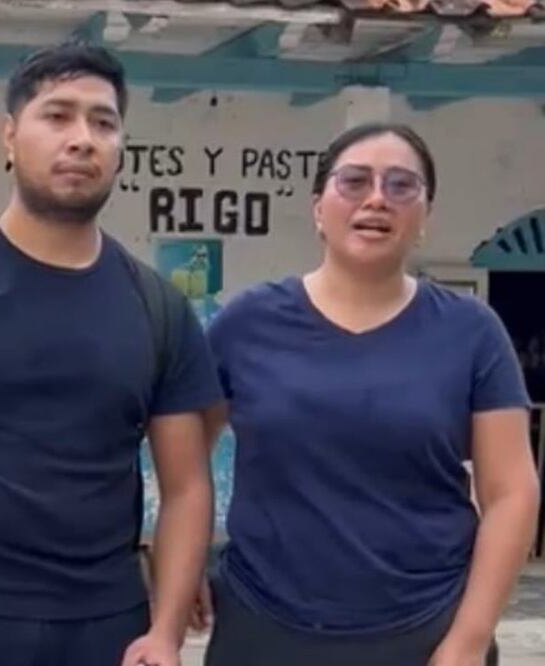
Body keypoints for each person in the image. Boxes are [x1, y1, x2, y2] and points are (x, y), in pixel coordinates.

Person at [0, 42, 223, 666]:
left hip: (106, 624)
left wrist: (163, 633)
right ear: (9, 136)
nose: (82, 138)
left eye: (103, 122)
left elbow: (187, 486)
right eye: (57, 116)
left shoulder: (158, 307)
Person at [199, 123, 541, 666]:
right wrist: (184, 563)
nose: (377, 199)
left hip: (424, 631)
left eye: (402, 185)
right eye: (354, 181)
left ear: (425, 216)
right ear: (318, 209)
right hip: (265, 628)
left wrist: (469, 641)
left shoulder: (473, 333)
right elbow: (181, 455)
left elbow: (511, 494)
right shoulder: (247, 324)